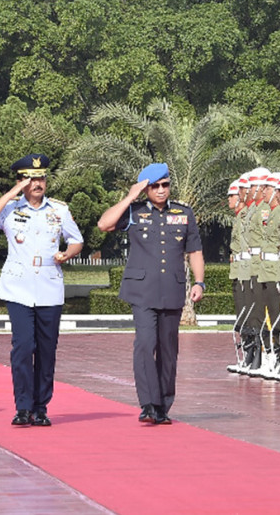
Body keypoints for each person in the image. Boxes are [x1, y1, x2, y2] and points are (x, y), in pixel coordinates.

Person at [0, 153, 83, 427]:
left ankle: (41, 406)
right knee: (23, 347)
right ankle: (23, 407)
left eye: (41, 178)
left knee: (47, 350)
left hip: (49, 286)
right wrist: (11, 193)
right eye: (31, 179)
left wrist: (67, 254)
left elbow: (76, 240)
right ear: (21, 181)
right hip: (18, 287)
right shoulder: (10, 208)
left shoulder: (58, 210)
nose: (38, 183)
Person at [97, 163, 205, 425]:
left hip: (172, 290)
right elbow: (104, 224)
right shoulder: (133, 212)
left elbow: (195, 251)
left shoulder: (184, 213)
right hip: (142, 291)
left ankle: (163, 405)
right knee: (145, 344)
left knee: (168, 350)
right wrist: (130, 196)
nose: (160, 190)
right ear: (145, 188)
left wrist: (199, 282)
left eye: (165, 185)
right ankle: (148, 403)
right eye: (154, 186)